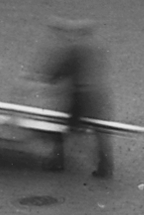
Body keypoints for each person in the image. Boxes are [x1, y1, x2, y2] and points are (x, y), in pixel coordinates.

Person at [36, 19, 112, 178]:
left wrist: (49, 78)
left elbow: (61, 70)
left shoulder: (76, 49)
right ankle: (105, 167)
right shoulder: (96, 46)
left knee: (59, 126)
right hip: (98, 95)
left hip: (80, 96)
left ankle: (57, 161)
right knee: (100, 132)